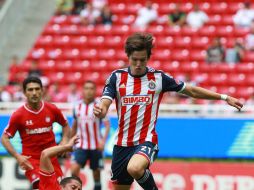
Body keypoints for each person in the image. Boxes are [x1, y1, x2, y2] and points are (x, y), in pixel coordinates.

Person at [93, 33, 243, 190]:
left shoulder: (158, 78)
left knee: (135, 168)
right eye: (134, 59)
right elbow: (105, 101)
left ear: (148, 58)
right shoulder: (116, 78)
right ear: (128, 57)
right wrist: (101, 110)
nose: (138, 64)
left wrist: (224, 97)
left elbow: (191, 90)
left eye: (142, 60)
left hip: (146, 140)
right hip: (121, 145)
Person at [1, 76, 70, 189]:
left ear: (42, 90)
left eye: (37, 89)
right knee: (40, 184)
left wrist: (65, 140)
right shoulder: (18, 115)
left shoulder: (52, 109)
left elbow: (66, 124)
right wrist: (17, 156)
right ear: (24, 92)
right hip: (32, 161)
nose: (34, 93)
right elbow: (4, 138)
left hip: (51, 159)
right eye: (30, 90)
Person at [71, 81, 110, 190]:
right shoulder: (77, 106)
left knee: (96, 174)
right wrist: (70, 142)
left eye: (91, 88)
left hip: (96, 146)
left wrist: (103, 141)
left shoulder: (99, 105)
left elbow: (107, 125)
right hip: (81, 145)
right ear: (82, 90)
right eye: (86, 88)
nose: (89, 91)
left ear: (95, 91)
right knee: (74, 171)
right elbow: (74, 125)